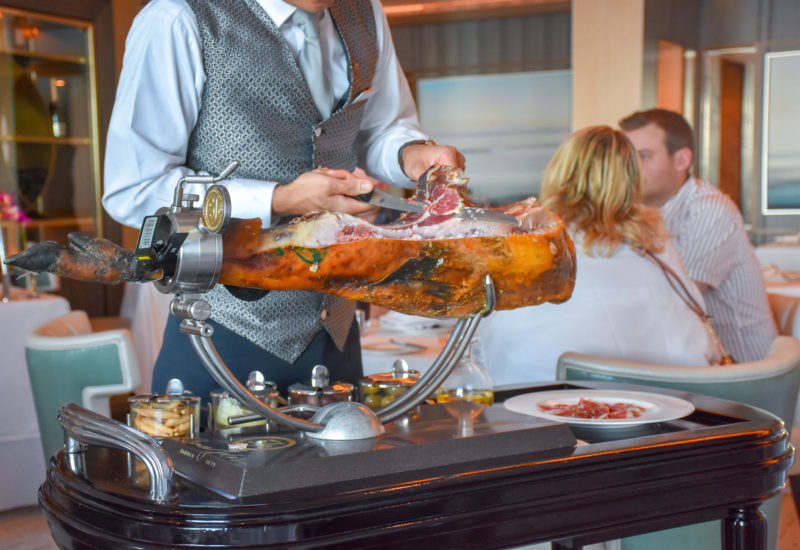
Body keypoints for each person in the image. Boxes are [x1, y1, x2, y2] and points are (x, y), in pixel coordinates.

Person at [102, 0, 464, 400]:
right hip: (221, 336)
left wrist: (409, 154)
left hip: (337, 336)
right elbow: (136, 188)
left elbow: (381, 128)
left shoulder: (366, 13)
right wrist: (279, 199)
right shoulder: (177, 17)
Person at [478, 126, 719, 387]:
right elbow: (702, 344)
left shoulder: (530, 245)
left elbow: (486, 345)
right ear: (632, 180)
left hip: (536, 399)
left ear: (559, 172)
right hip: (667, 404)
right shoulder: (655, 247)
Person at [620, 108, 776, 363]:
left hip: (742, 369)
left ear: (681, 160)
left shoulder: (710, 211)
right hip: (689, 362)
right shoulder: (637, 212)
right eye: (626, 158)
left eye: (643, 156)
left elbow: (675, 299)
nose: (630, 169)